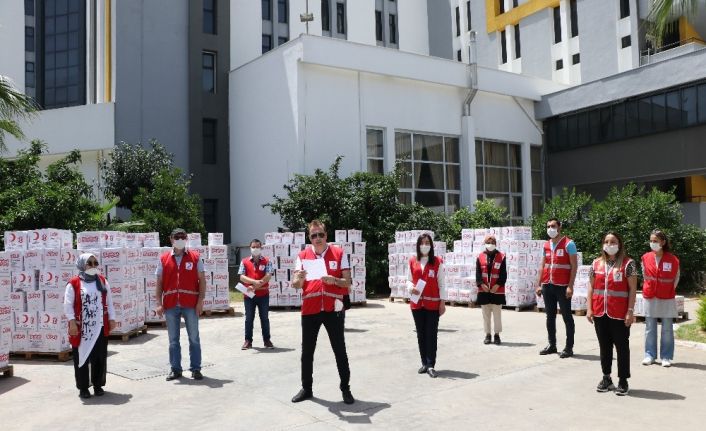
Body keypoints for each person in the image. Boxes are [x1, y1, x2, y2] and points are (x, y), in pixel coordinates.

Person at [290, 220, 355, 405]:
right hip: (310, 309)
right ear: (309, 238)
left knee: (339, 349)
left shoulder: (339, 253)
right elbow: (296, 284)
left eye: (320, 234)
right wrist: (299, 279)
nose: (317, 238)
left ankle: (346, 388)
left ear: (326, 235)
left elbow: (347, 282)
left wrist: (334, 280)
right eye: (313, 235)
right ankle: (307, 389)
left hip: (333, 309)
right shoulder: (302, 256)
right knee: (307, 351)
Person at [586, 232, 637, 396]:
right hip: (600, 312)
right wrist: (589, 308)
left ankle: (623, 380)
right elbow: (591, 288)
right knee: (604, 346)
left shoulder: (628, 264)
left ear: (619, 244)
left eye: (613, 241)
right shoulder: (595, 264)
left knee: (622, 347)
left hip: (620, 313)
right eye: (607, 241)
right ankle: (606, 378)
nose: (610, 244)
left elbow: (632, 290)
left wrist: (630, 311)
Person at [156, 228, 207, 381]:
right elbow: (159, 283)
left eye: (182, 237)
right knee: (173, 340)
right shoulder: (163, 259)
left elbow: (202, 281)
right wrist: (159, 303)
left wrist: (200, 302)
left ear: (186, 239)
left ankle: (196, 368)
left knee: (194, 338)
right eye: (176, 237)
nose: (180, 239)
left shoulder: (195, 257)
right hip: (171, 305)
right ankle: (175, 369)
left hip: (190, 304)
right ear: (171, 239)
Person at [64, 253, 116, 399]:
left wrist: (112, 318)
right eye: (90, 263)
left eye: (95, 263)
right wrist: (72, 322)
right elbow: (67, 305)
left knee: (99, 357)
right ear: (81, 265)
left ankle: (98, 385)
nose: (93, 266)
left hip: (99, 326)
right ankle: (83, 387)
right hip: (82, 328)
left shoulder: (102, 281)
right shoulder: (73, 283)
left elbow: (109, 302)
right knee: (82, 358)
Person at [536, 218, 578, 358]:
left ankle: (569, 347)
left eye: (553, 226)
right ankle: (552, 344)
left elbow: (574, 266)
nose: (550, 229)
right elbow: (542, 266)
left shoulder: (569, 244)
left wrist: (570, 286)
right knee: (550, 316)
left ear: (559, 227)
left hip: (562, 286)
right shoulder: (546, 245)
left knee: (567, 317)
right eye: (548, 226)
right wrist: (538, 284)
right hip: (548, 285)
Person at [407, 233, 446, 378]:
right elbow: (409, 280)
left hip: (433, 304)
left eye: (427, 243)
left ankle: (431, 364)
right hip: (417, 303)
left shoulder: (437, 262)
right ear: (418, 245)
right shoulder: (412, 261)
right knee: (421, 334)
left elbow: (442, 284)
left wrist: (442, 303)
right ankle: (424, 362)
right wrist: (411, 288)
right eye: (422, 243)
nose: (425, 245)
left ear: (431, 245)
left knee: (431, 334)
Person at [641, 229, 680, 368]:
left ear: (663, 242)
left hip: (667, 297)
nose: (653, 243)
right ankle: (649, 355)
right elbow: (645, 275)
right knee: (650, 327)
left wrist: (668, 289)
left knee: (667, 328)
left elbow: (676, 278)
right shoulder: (645, 257)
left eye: (655, 241)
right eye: (651, 241)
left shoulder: (673, 259)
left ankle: (666, 356)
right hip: (650, 296)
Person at [238, 239, 275, 350]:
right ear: (250, 248)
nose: (255, 249)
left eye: (257, 247)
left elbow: (268, 275)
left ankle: (267, 340)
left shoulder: (267, 261)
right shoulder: (244, 261)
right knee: (249, 318)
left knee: (264, 318)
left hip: (263, 295)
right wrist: (254, 283)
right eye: (253, 247)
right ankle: (248, 341)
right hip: (249, 296)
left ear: (261, 248)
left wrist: (256, 286)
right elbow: (241, 276)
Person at [476, 235, 506, 345]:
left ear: (496, 244)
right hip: (484, 290)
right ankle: (488, 335)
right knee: (486, 314)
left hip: (497, 291)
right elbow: (478, 273)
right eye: (488, 242)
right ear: (484, 243)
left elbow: (503, 274)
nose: (490, 244)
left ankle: (497, 335)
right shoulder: (480, 256)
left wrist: (497, 285)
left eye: (492, 242)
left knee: (497, 314)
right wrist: (481, 284)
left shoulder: (502, 256)